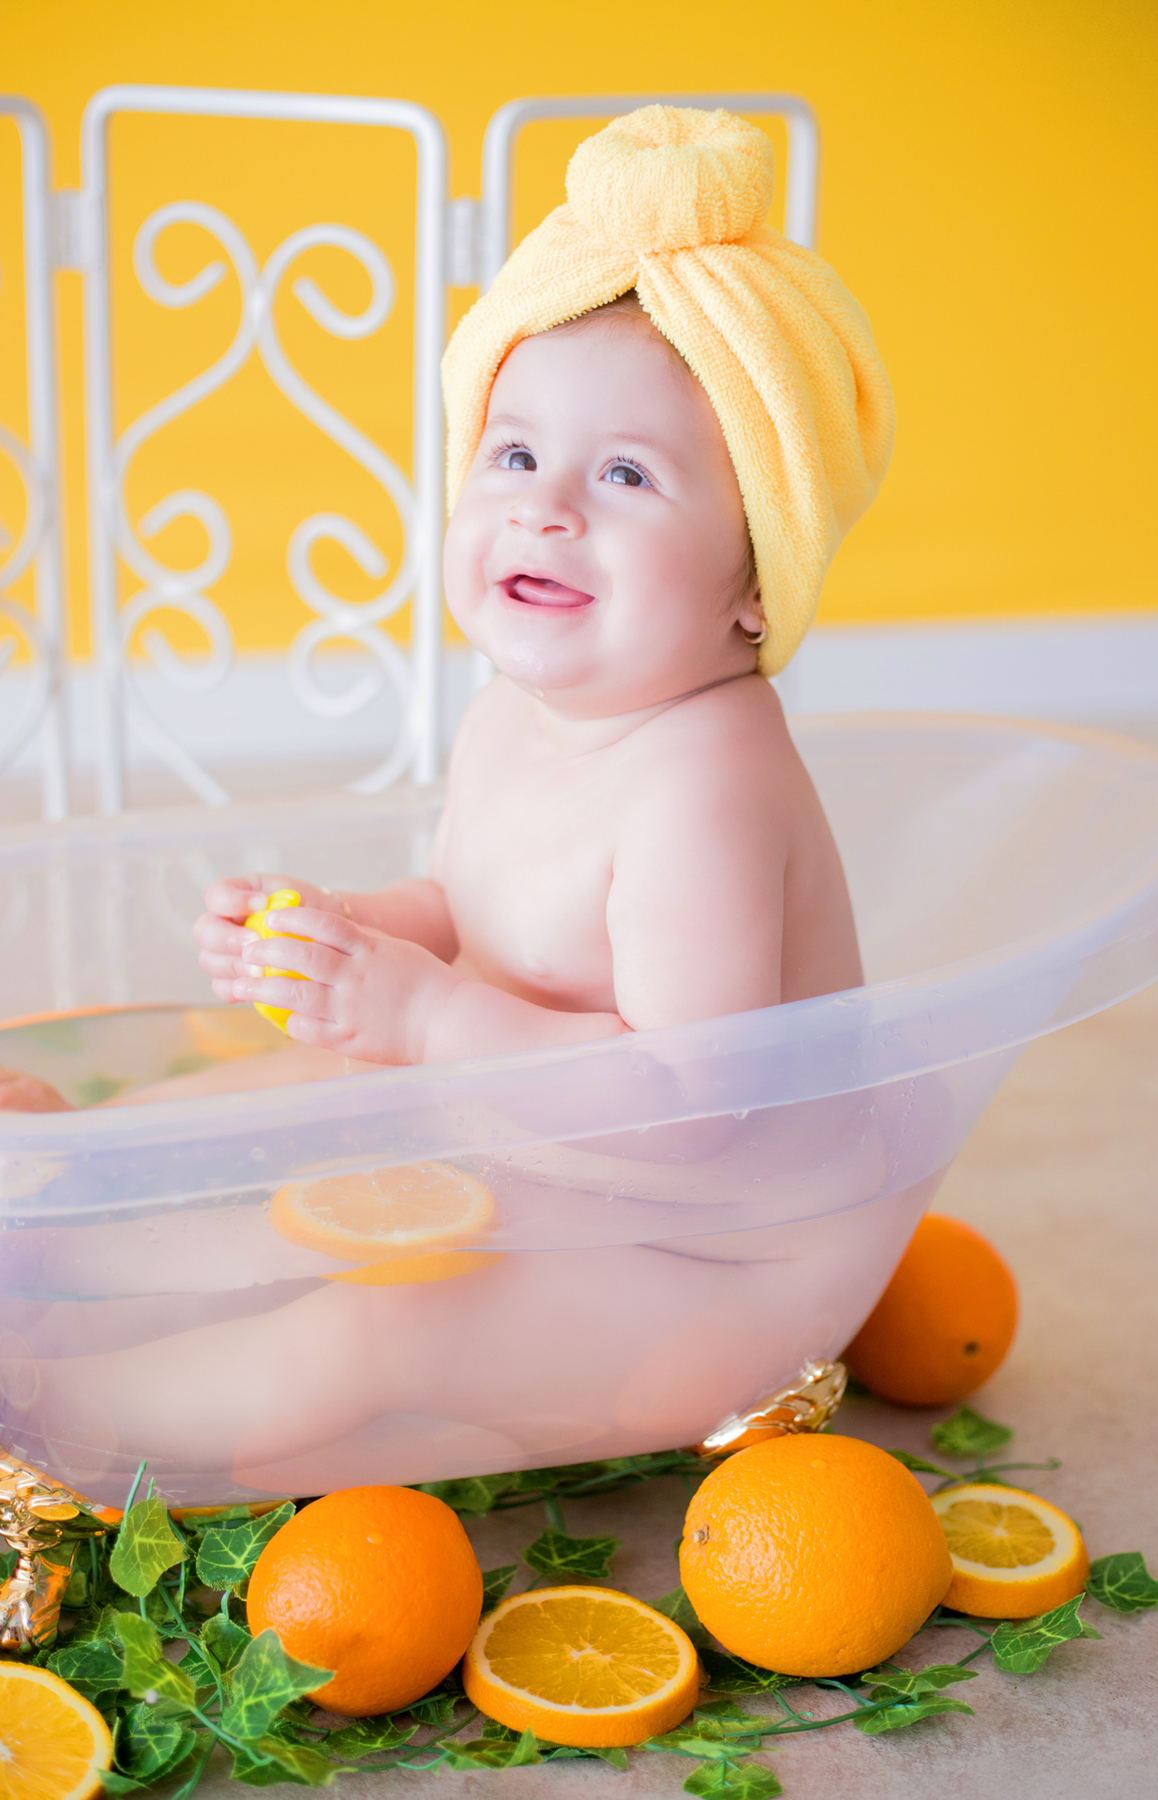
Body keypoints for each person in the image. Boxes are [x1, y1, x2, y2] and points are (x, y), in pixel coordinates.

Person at [0, 108, 901, 1497]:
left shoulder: (705, 784)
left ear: (754, 586)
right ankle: (73, 1215)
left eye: (627, 474)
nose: (547, 509)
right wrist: (356, 936)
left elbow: (685, 1106)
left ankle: (56, 1417)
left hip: (698, 1255)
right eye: (514, 453)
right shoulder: (516, 712)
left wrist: (419, 1012)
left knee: (385, 1318)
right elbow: (480, 923)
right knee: (285, 1092)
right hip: (531, 1140)